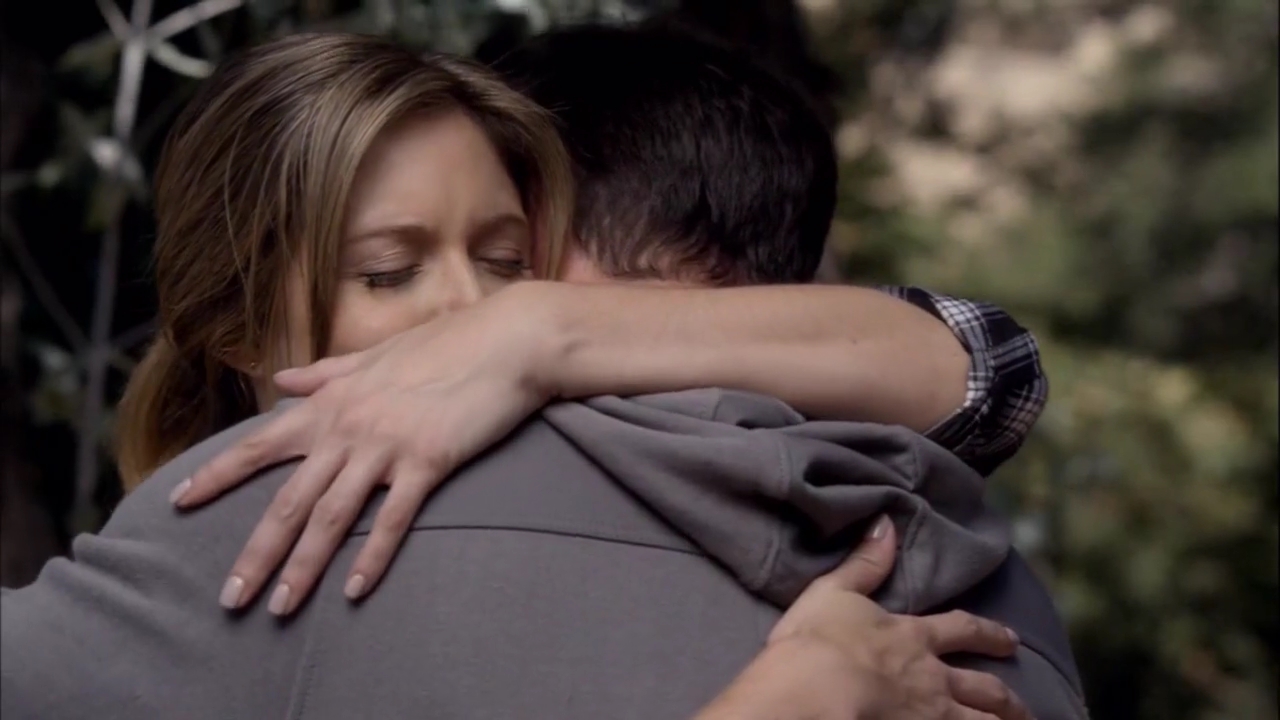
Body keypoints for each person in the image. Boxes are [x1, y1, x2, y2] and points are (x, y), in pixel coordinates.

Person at [0, 30, 1075, 719]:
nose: (467, 317)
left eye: (508, 266)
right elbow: (990, 368)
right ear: (232, 320)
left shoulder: (261, 524)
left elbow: (992, 367)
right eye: (388, 272)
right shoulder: (976, 560)